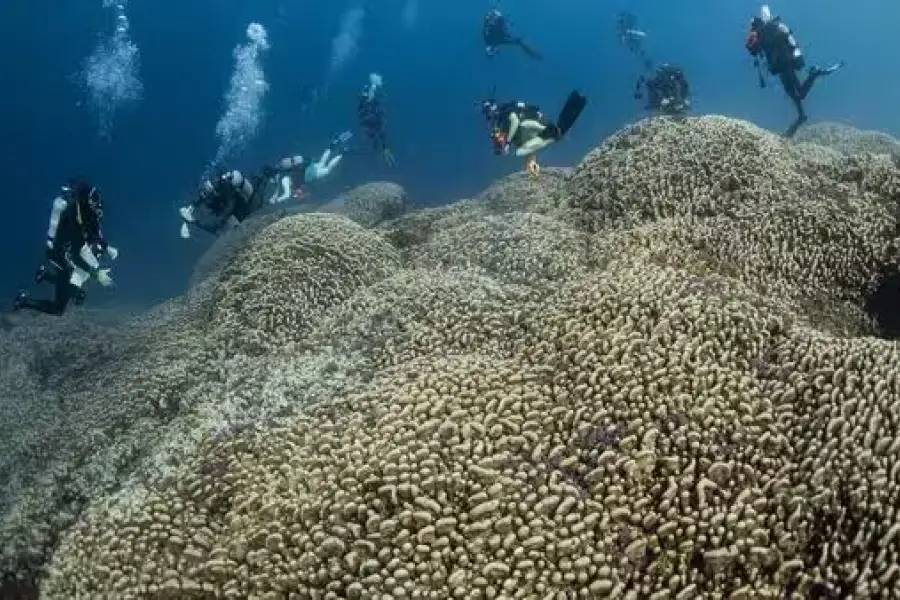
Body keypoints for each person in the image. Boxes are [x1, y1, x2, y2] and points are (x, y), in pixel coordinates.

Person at [13, 179, 117, 316]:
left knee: (75, 287)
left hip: (66, 252)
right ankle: (24, 300)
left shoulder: (85, 212)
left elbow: (94, 232)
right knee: (59, 308)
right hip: (60, 255)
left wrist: (106, 247)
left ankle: (44, 274)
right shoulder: (74, 221)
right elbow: (78, 253)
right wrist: (97, 274)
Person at [745, 4, 844, 138]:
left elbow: (753, 49)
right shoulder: (771, 30)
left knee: (798, 94)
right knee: (792, 93)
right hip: (783, 64)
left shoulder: (763, 33)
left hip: (783, 64)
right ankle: (802, 115)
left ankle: (814, 75)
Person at [482, 90, 587, 176]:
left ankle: (554, 130)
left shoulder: (504, 115)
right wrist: (531, 161)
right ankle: (575, 100)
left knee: (555, 131)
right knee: (521, 150)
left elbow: (515, 120)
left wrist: (508, 142)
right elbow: (526, 144)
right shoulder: (506, 129)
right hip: (538, 130)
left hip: (538, 126)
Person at [266, 131, 354, 205]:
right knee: (321, 162)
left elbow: (287, 195)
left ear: (273, 177)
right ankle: (332, 144)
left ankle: (342, 153)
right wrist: (298, 193)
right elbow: (296, 183)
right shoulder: (283, 173)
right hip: (307, 168)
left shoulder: (283, 181)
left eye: (271, 180)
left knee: (327, 169)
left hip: (309, 175)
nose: (271, 182)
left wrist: (276, 201)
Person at [178, 169, 263, 239]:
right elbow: (199, 202)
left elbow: (223, 216)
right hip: (242, 210)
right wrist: (189, 210)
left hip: (249, 208)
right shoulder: (213, 194)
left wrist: (194, 221)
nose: (206, 197)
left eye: (209, 194)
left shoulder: (227, 191)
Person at [358, 73, 396, 166]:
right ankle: (373, 86)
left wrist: (385, 147)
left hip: (371, 118)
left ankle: (373, 86)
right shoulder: (374, 124)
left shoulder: (371, 123)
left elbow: (379, 130)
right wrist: (385, 147)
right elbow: (380, 131)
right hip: (371, 118)